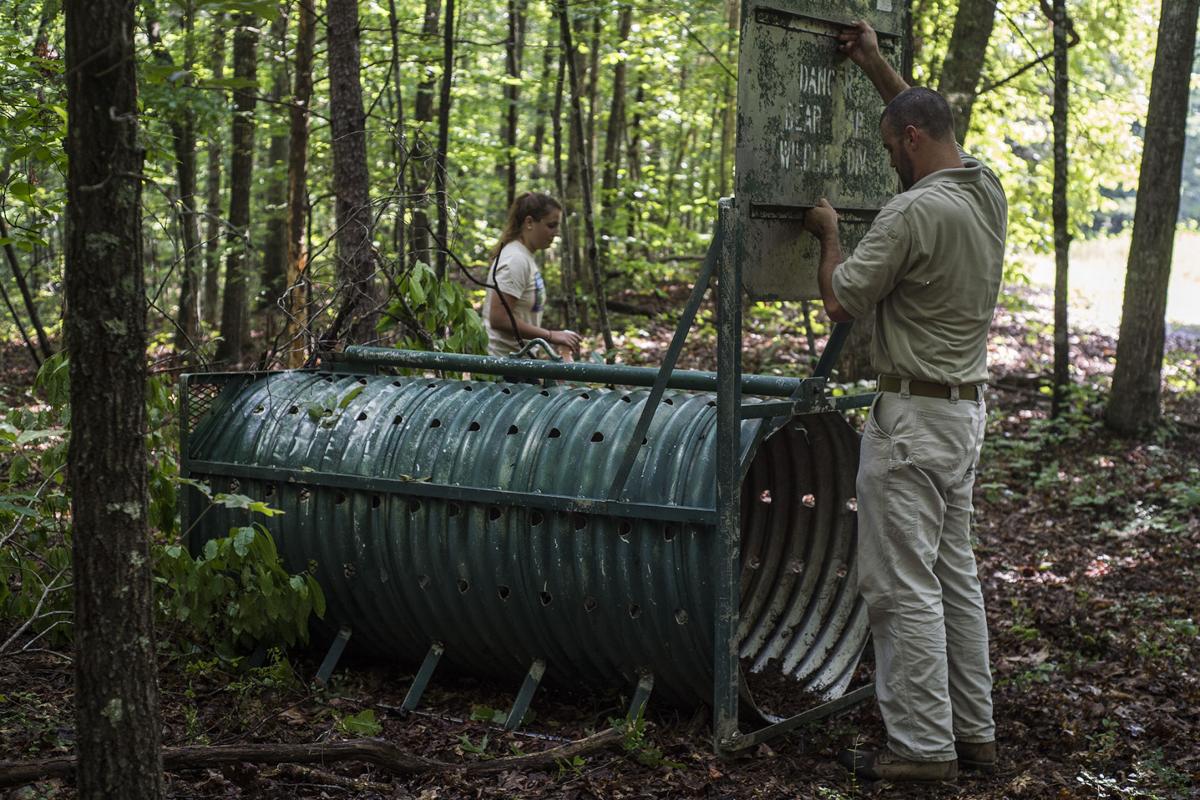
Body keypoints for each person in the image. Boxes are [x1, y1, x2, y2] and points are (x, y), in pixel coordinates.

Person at [801, 21, 1007, 784]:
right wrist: (876, 66)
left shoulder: (911, 214)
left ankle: (921, 750)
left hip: (913, 423)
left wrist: (828, 234)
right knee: (954, 577)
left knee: (901, 586)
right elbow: (920, 120)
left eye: (892, 147)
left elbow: (841, 300)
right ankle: (971, 732)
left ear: (910, 140)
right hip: (963, 418)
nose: (890, 158)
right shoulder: (985, 194)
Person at [482, 192, 582, 359]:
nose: (556, 232)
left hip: (519, 360)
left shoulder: (525, 256)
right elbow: (499, 319)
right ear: (529, 222)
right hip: (504, 366)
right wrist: (550, 335)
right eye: (551, 225)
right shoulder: (515, 259)